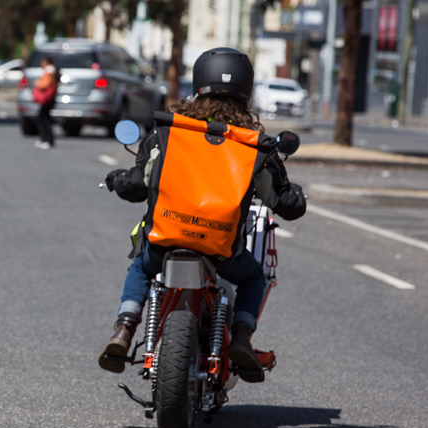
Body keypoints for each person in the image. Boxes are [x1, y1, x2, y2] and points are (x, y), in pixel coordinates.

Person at [98, 48, 307, 379]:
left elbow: (136, 186)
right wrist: (295, 195)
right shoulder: (254, 145)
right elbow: (286, 204)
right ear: (246, 90)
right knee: (254, 278)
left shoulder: (168, 132)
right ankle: (241, 337)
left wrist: (117, 179)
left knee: (140, 266)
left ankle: (124, 329)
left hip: (166, 240)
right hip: (221, 250)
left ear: (198, 83)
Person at [33, 57, 58, 149]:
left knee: (43, 120)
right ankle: (45, 139)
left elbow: (45, 84)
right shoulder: (51, 71)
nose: (41, 63)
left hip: (47, 99)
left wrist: (38, 83)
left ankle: (47, 140)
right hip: (50, 99)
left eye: (43, 61)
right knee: (44, 119)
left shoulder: (48, 72)